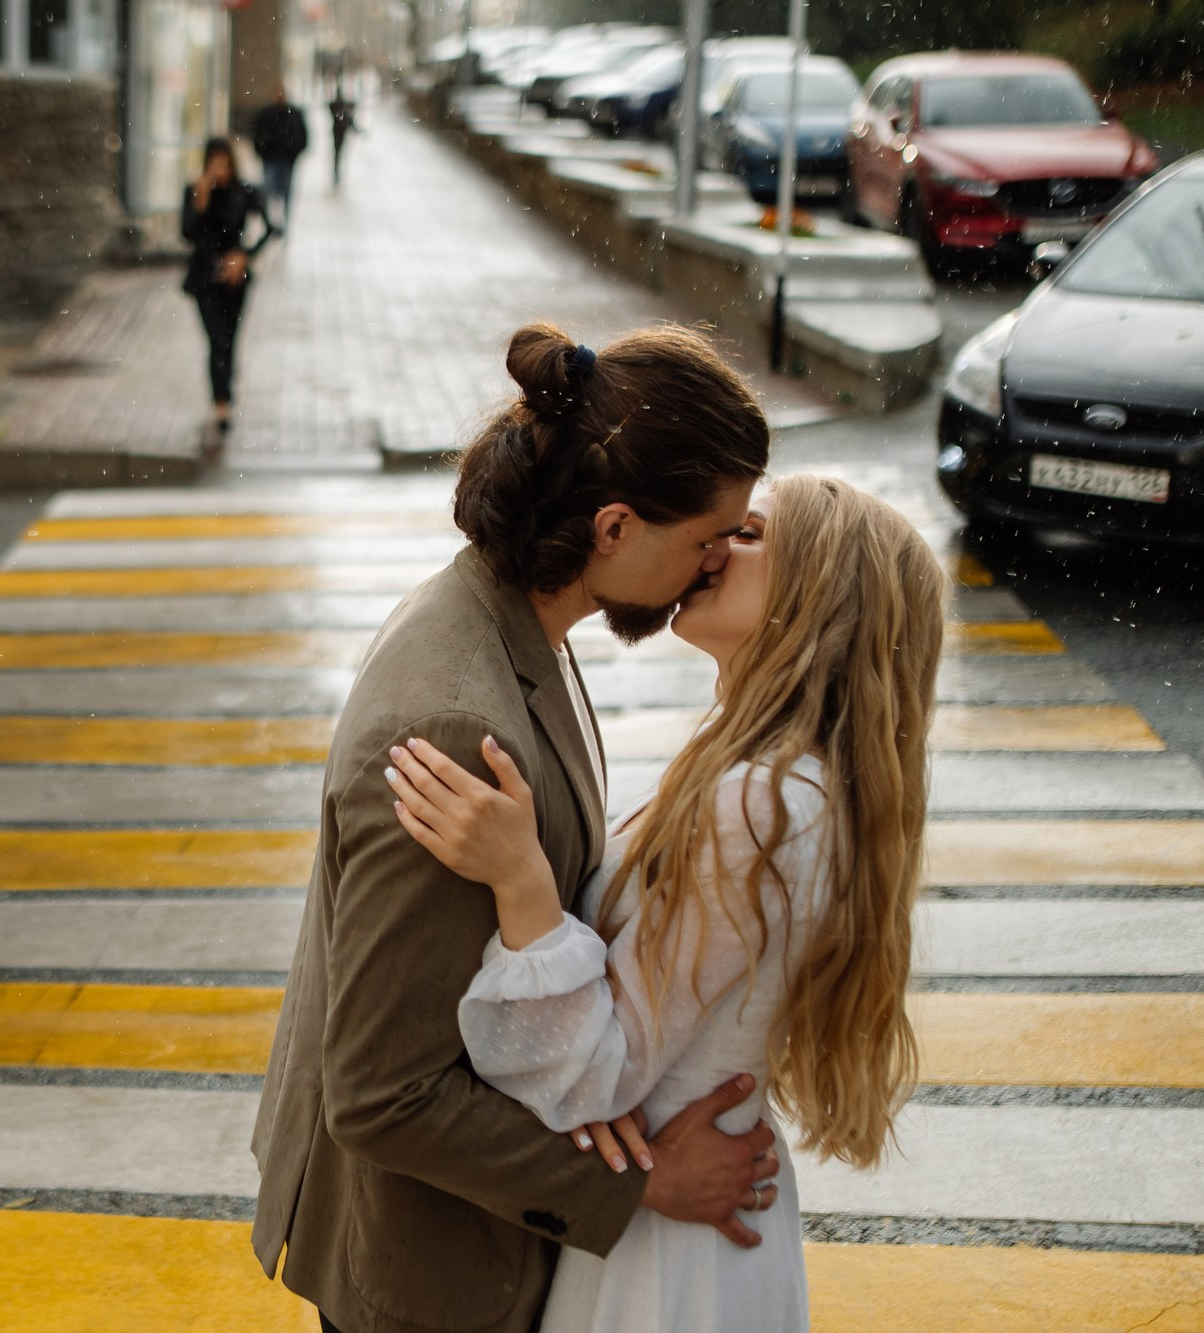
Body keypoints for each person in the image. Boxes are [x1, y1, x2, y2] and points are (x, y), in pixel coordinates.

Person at [254, 321, 779, 1333]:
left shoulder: (508, 618)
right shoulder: (459, 725)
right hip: (438, 1278)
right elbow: (379, 1091)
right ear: (614, 528)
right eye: (708, 534)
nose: (714, 560)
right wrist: (637, 1185)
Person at [385, 473, 943, 1332]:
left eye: (749, 534)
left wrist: (522, 881)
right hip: (685, 1218)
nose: (712, 546)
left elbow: (596, 1072)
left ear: (817, 596)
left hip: (668, 1254)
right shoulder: (771, 774)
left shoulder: (765, 802)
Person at [181, 137, 277, 440]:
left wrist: (245, 256)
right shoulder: (196, 191)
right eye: (214, 163)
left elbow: (272, 228)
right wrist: (200, 201)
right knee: (217, 339)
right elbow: (188, 234)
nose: (219, 169)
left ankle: (225, 389)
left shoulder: (245, 192)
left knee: (230, 338)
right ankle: (221, 402)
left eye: (224, 163)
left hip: (235, 280)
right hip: (205, 278)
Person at [251, 84, 310, 226]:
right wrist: (262, 151)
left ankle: (283, 221)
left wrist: (294, 152)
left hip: (287, 160)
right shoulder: (266, 113)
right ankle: (269, 222)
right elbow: (257, 133)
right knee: (268, 191)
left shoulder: (293, 113)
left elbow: (302, 135)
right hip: (271, 159)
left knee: (285, 192)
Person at [328, 82, 358, 187]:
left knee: (338, 154)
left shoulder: (338, 106)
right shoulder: (338, 106)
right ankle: (337, 173)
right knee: (338, 153)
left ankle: (337, 173)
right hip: (338, 132)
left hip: (338, 132)